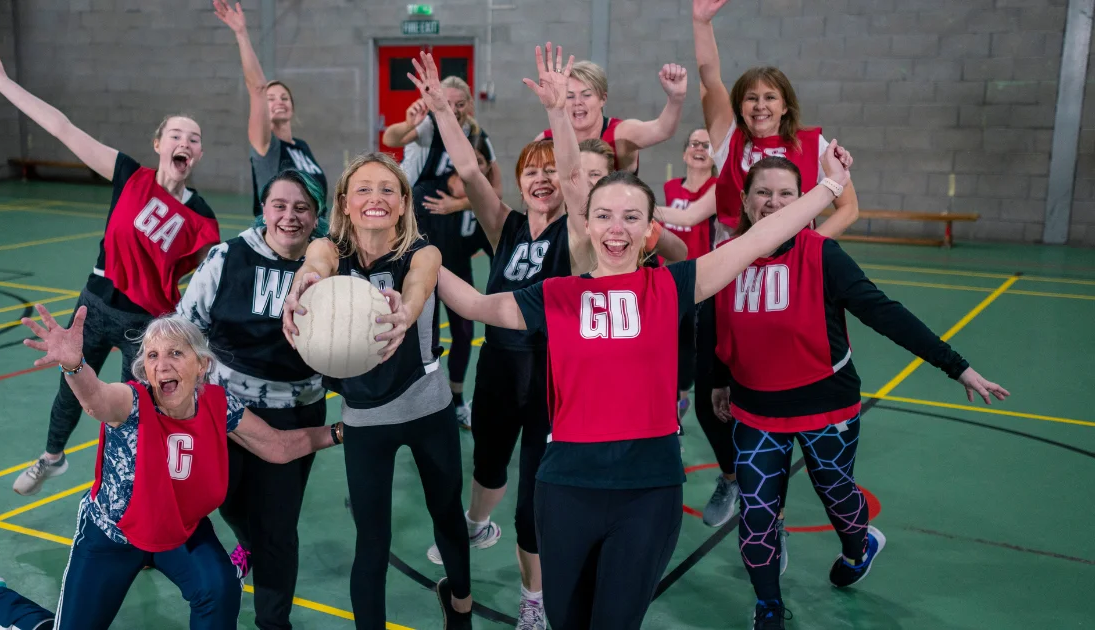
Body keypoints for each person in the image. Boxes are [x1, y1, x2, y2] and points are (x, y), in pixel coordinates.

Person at [432, 42, 856, 630]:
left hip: (647, 488)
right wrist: (414, 257)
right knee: (568, 619)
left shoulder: (671, 288)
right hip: (568, 483)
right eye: (604, 215)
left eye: (632, 217)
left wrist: (828, 189)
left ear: (650, 230)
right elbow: (478, 301)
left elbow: (760, 238)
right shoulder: (560, 295)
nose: (615, 227)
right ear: (588, 222)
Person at [408, 46, 659, 628]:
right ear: (518, 180)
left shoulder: (575, 236)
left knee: (530, 506)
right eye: (531, 169)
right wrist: (443, 111)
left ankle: (534, 600)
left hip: (552, 380)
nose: (542, 177)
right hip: (499, 372)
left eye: (550, 170)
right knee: (488, 465)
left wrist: (557, 115)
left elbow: (576, 182)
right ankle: (474, 525)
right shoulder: (507, 226)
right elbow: (470, 170)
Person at [703, 156, 1008, 629]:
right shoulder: (728, 255)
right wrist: (720, 378)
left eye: (787, 193)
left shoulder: (821, 255)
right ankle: (768, 607)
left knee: (837, 495)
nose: (773, 203)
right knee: (758, 514)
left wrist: (957, 366)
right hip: (757, 410)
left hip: (826, 405)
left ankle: (859, 544)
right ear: (744, 200)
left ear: (806, 202)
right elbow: (714, 322)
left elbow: (885, 313)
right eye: (763, 192)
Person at [0, 307, 342, 630]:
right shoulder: (132, 402)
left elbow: (276, 446)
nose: (162, 364)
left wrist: (342, 432)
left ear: (202, 365)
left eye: (175, 353)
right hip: (112, 537)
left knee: (219, 588)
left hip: (180, 535)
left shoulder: (218, 404)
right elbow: (97, 400)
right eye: (152, 356)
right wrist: (74, 364)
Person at [0, 44, 224, 497]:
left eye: (194, 137)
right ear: (158, 144)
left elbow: (202, 285)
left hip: (144, 325)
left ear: (199, 154)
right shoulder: (131, 176)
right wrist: (3, 84)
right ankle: (52, 458)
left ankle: (136, 492)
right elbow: (63, 128)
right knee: (70, 383)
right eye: (176, 134)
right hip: (94, 301)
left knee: (137, 411)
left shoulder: (203, 220)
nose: (184, 142)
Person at [280, 152, 473, 629]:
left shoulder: (422, 252)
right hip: (365, 416)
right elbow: (316, 261)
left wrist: (406, 311)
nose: (376, 198)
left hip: (427, 406)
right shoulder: (329, 251)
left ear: (404, 202)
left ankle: (461, 610)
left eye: (388, 189)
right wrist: (306, 281)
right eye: (364, 189)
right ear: (344, 202)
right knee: (372, 538)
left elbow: (421, 281)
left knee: (447, 514)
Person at [176, 170, 327, 630]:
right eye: (279, 205)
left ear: (316, 217)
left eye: (302, 208)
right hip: (225, 411)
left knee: (278, 530)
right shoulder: (228, 257)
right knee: (229, 502)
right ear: (263, 209)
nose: (289, 216)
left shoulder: (329, 271)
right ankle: (250, 544)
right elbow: (185, 327)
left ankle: (273, 623)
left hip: (294, 414)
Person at [383, 83, 502, 427]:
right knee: (424, 332)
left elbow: (493, 192)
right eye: (447, 103)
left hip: (454, 257)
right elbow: (392, 138)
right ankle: (419, 399)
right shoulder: (427, 130)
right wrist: (407, 124)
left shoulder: (478, 139)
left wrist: (460, 202)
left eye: (461, 103)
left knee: (464, 330)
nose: (454, 108)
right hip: (418, 245)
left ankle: (457, 396)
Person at [691, 0, 859, 241]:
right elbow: (710, 80)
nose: (760, 106)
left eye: (770, 97)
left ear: (785, 107)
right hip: (734, 260)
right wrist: (701, 23)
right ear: (740, 107)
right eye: (751, 98)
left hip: (790, 262)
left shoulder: (814, 145)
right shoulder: (728, 138)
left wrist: (809, 246)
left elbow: (849, 208)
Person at [650, 128, 739, 524]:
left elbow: (686, 219)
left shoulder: (720, 188)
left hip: (704, 292)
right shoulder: (670, 185)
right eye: (695, 143)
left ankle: (734, 473)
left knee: (702, 380)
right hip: (669, 288)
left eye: (707, 144)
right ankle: (672, 426)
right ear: (684, 151)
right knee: (663, 371)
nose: (700, 149)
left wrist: (637, 206)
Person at [213, 0, 328, 226]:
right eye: (271, 98)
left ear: (292, 107)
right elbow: (257, 88)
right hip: (280, 232)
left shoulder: (302, 147)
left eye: (284, 97)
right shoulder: (267, 146)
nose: (278, 102)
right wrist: (242, 33)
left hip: (313, 231)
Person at [535, 60, 688, 174]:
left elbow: (662, 129)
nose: (577, 103)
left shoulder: (621, 134)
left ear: (603, 99)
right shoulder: (547, 140)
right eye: (569, 96)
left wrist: (676, 98)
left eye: (586, 95)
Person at [578, 138, 689, 264]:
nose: (584, 181)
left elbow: (679, 252)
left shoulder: (631, 220)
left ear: (609, 177)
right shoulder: (557, 214)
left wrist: (659, 281)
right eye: (579, 173)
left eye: (594, 174)